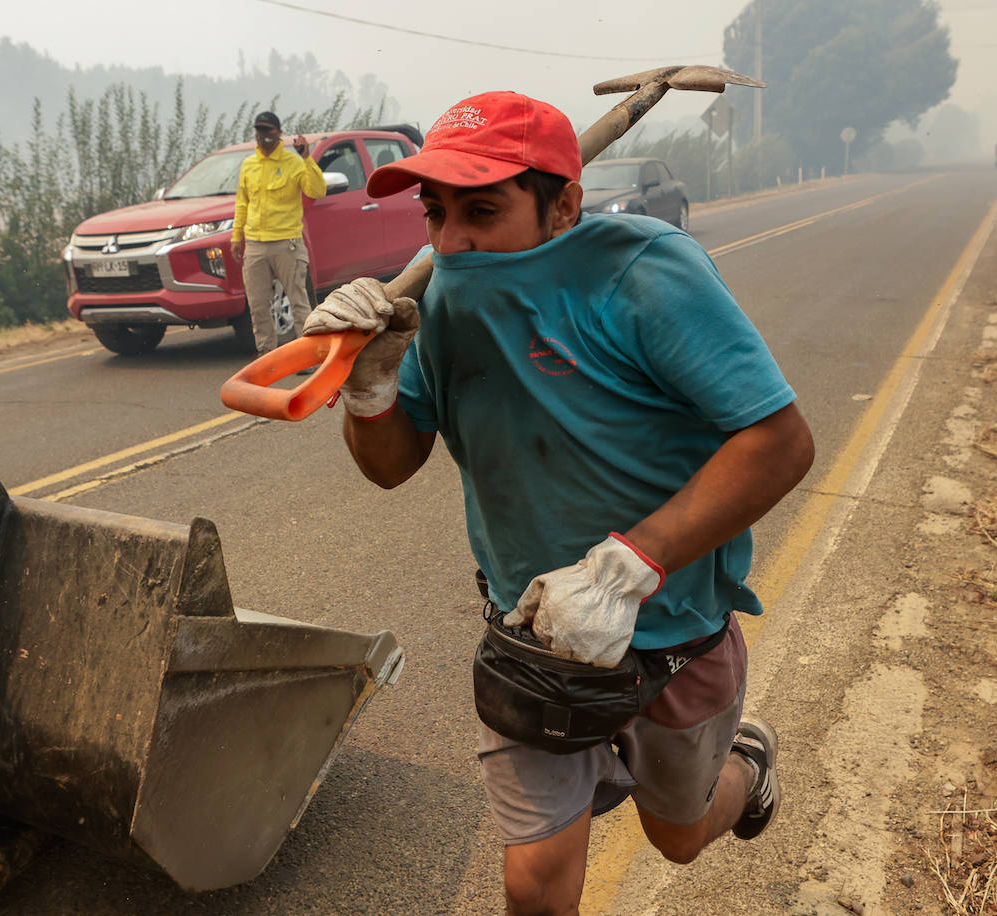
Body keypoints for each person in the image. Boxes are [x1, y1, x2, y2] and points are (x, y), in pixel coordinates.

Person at [303, 91, 815, 914]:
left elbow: (780, 443)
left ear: (563, 206)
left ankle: (745, 769)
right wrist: (370, 389)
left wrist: (627, 571)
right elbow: (392, 466)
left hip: (672, 635)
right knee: (534, 884)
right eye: (437, 213)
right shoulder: (441, 300)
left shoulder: (646, 275)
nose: (451, 242)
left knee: (678, 835)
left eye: (482, 210)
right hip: (533, 641)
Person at [229, 110, 326, 356]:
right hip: (255, 245)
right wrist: (236, 236)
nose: (265, 137)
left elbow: (317, 191)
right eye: (260, 132)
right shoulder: (249, 165)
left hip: (287, 244)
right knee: (258, 306)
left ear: (280, 133)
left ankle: (307, 356)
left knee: (298, 303)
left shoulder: (294, 163)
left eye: (269, 131)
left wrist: (306, 158)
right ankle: (267, 355)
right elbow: (242, 203)